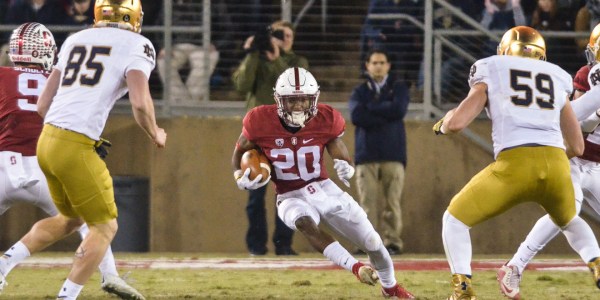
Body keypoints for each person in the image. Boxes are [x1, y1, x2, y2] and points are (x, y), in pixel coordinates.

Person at [0, 1, 167, 299]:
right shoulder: (138, 44)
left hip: (46, 142)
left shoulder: (76, 39)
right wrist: (155, 132)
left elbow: (42, 106)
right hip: (72, 145)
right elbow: (141, 103)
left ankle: (5, 264)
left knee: (72, 219)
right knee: (105, 228)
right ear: (133, 15)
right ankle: (68, 295)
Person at [432, 26, 600, 299]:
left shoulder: (492, 68)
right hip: (558, 163)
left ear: (504, 51)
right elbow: (577, 145)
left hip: (515, 164)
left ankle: (463, 288)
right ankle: (596, 263)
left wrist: (443, 125)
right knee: (569, 219)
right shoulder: (557, 76)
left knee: (454, 220)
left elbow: (459, 122)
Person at [231, 67, 414, 299]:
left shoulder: (325, 118)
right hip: (289, 196)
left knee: (373, 242)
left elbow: (337, 147)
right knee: (305, 223)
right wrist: (239, 175)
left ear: (313, 98)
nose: (298, 106)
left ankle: (390, 288)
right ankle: (356, 267)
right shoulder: (259, 120)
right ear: (279, 100)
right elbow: (239, 152)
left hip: (323, 188)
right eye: (291, 100)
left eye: (303, 99)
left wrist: (345, 163)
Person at [497, 23, 600, 300]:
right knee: (566, 211)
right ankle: (514, 266)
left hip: (598, 167)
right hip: (572, 160)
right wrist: (596, 110)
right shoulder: (589, 76)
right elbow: (573, 120)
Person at [231, 20, 308, 256]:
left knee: (287, 193)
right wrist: (254, 54)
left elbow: (294, 88)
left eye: (286, 35)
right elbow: (241, 84)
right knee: (255, 193)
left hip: (286, 133)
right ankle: (257, 246)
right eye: (277, 34)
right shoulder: (258, 58)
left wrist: (276, 61)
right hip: (257, 134)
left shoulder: (297, 62)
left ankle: (283, 244)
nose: (282, 39)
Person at [348, 49, 410, 255]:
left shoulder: (399, 87)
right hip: (366, 156)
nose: (378, 66)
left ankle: (392, 243)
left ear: (388, 65)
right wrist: (386, 113)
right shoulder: (359, 91)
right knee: (366, 204)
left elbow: (399, 110)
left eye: (382, 62)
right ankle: (366, 243)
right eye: (374, 62)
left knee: (392, 204)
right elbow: (357, 116)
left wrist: (372, 107)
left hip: (394, 154)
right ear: (367, 65)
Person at [156, 0, 233, 102]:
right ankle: (182, 101)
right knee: (163, 61)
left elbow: (228, 29)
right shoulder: (171, 2)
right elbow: (159, 25)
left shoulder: (215, 3)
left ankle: (187, 104)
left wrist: (216, 45)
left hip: (203, 46)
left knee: (210, 58)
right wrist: (163, 46)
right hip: (175, 45)